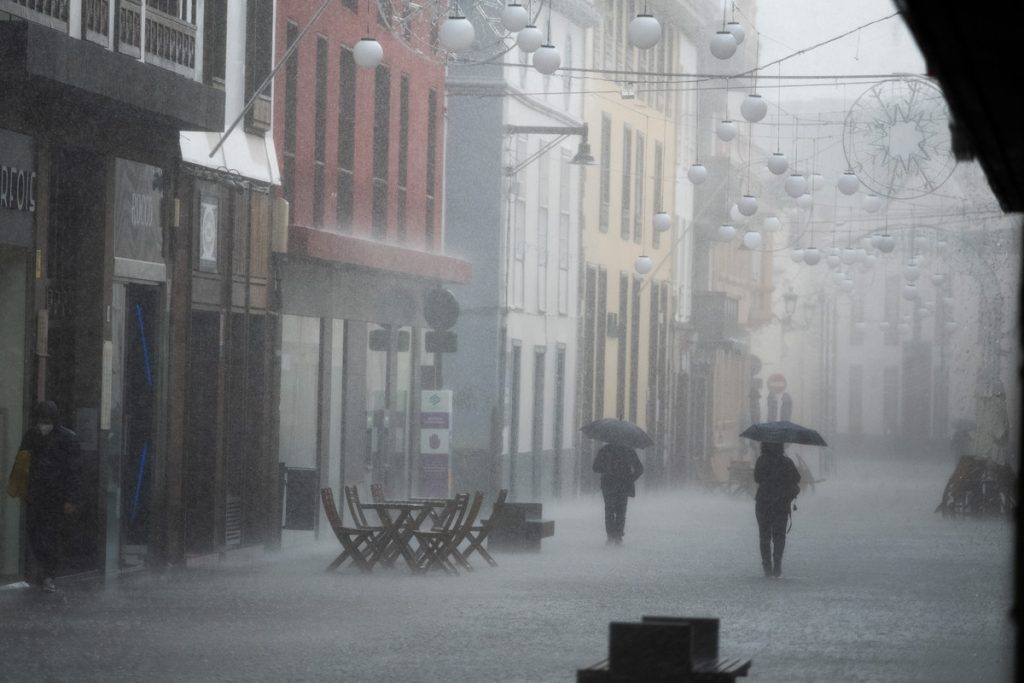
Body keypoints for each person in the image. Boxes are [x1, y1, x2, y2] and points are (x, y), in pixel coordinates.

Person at [20, 400, 81, 593]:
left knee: (49, 535)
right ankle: (46, 572)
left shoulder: (67, 439)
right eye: (40, 420)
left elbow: (73, 471)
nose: (42, 425)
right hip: (37, 494)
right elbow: (23, 463)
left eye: (46, 421)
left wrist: (70, 498)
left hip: (55, 496)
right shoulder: (32, 436)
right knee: (36, 533)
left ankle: (48, 574)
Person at [753, 441, 800, 578]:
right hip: (781, 502)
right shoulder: (786, 462)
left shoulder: (761, 461)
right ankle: (777, 563)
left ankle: (767, 565)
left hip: (763, 502)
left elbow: (756, 478)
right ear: (780, 447)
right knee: (779, 536)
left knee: (764, 535)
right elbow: (797, 478)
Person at [592, 443, 644, 545]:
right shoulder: (629, 451)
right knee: (621, 511)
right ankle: (618, 536)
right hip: (623, 485)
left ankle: (611, 536)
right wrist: (630, 479)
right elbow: (640, 469)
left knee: (609, 510)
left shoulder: (604, 450)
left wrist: (606, 469)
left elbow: (595, 468)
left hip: (608, 485)